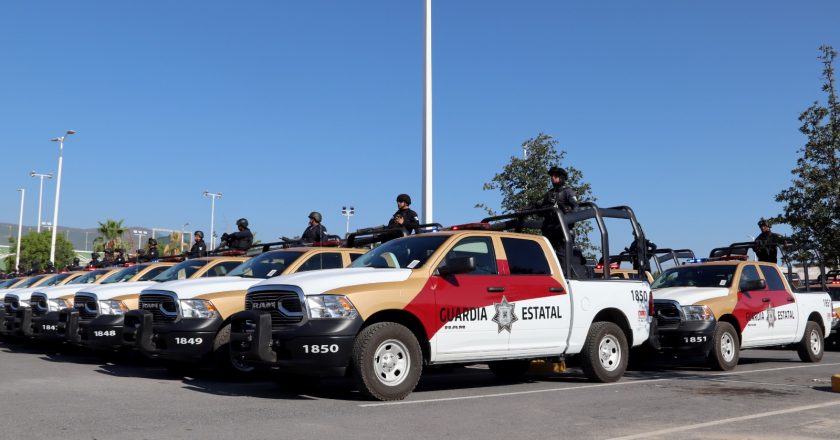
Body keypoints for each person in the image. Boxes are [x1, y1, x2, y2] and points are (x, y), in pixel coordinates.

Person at [539, 167, 579, 269]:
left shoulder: (567, 191)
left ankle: (565, 278)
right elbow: (541, 208)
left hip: (562, 229)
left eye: (555, 176)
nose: (552, 178)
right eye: (551, 176)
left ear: (561, 178)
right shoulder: (549, 193)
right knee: (547, 255)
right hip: (550, 229)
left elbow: (575, 206)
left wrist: (569, 221)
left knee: (563, 256)